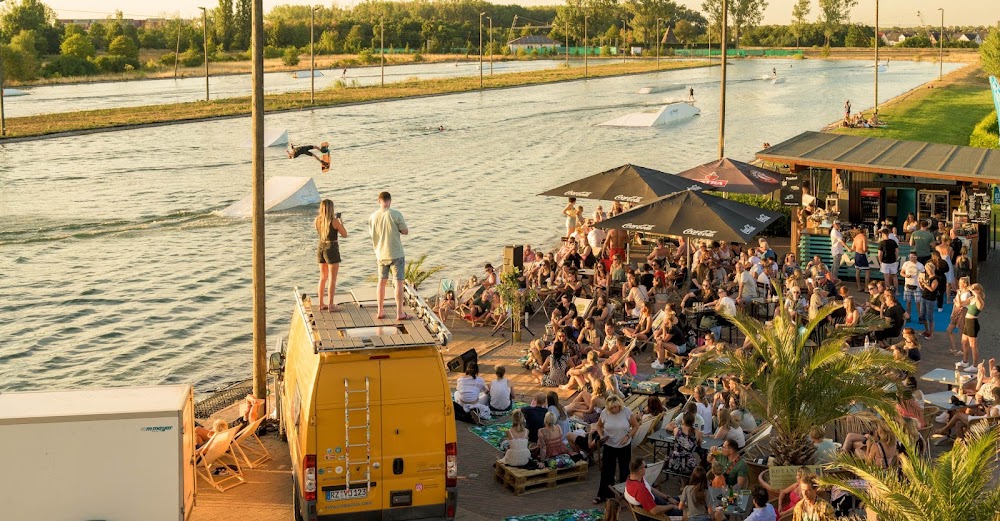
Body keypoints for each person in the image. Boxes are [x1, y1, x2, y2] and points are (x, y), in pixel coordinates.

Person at [369, 191, 410, 321]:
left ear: (378, 201)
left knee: (381, 282)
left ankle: (380, 311)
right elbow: (405, 231)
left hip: (380, 254)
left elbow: (372, 234)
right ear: (390, 201)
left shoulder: (372, 217)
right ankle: (399, 313)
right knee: (398, 282)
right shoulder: (395, 214)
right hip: (396, 253)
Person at [594, 394, 639, 504]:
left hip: (624, 445)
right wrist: (601, 436)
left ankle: (626, 495)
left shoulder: (626, 411)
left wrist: (628, 436)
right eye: (612, 408)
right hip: (610, 445)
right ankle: (603, 494)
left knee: (624, 470)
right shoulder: (605, 413)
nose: (614, 409)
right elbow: (599, 426)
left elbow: (636, 426)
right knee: (607, 471)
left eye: (616, 407)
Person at [314, 199, 348, 311]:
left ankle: (320, 304)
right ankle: (331, 305)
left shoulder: (317, 220)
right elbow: (344, 235)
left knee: (322, 277)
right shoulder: (334, 221)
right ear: (331, 208)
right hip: (331, 248)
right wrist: (341, 222)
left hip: (320, 247)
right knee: (332, 279)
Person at [961, 283, 985, 372]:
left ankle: (975, 366)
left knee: (973, 345)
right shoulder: (972, 299)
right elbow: (961, 304)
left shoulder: (980, 301)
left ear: (978, 290)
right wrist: (960, 293)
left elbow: (978, 300)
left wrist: (973, 291)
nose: (972, 290)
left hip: (972, 323)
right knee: (964, 342)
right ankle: (965, 361)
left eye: (975, 289)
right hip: (967, 322)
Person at [917, 263, 940, 339]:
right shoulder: (927, 277)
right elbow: (924, 288)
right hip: (924, 296)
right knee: (922, 315)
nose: (927, 271)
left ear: (931, 269)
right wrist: (921, 283)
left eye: (928, 270)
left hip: (931, 299)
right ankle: (927, 331)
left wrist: (924, 283)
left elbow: (932, 289)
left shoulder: (935, 279)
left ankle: (931, 333)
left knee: (930, 316)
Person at [900, 252, 924, 321]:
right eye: (910, 257)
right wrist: (905, 276)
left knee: (918, 302)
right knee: (908, 302)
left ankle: (920, 317)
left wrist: (922, 284)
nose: (911, 258)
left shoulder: (920, 265)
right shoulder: (906, 264)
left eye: (913, 257)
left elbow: (923, 275)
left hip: (917, 285)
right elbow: (902, 272)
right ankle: (908, 316)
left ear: (916, 257)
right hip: (907, 285)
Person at [878, 228, 898, 293]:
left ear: (883, 234)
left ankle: (888, 291)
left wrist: (880, 261)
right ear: (889, 233)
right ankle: (896, 291)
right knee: (894, 276)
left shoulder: (881, 243)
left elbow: (880, 254)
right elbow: (897, 251)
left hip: (885, 261)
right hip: (893, 261)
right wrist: (896, 258)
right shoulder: (893, 242)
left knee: (886, 277)